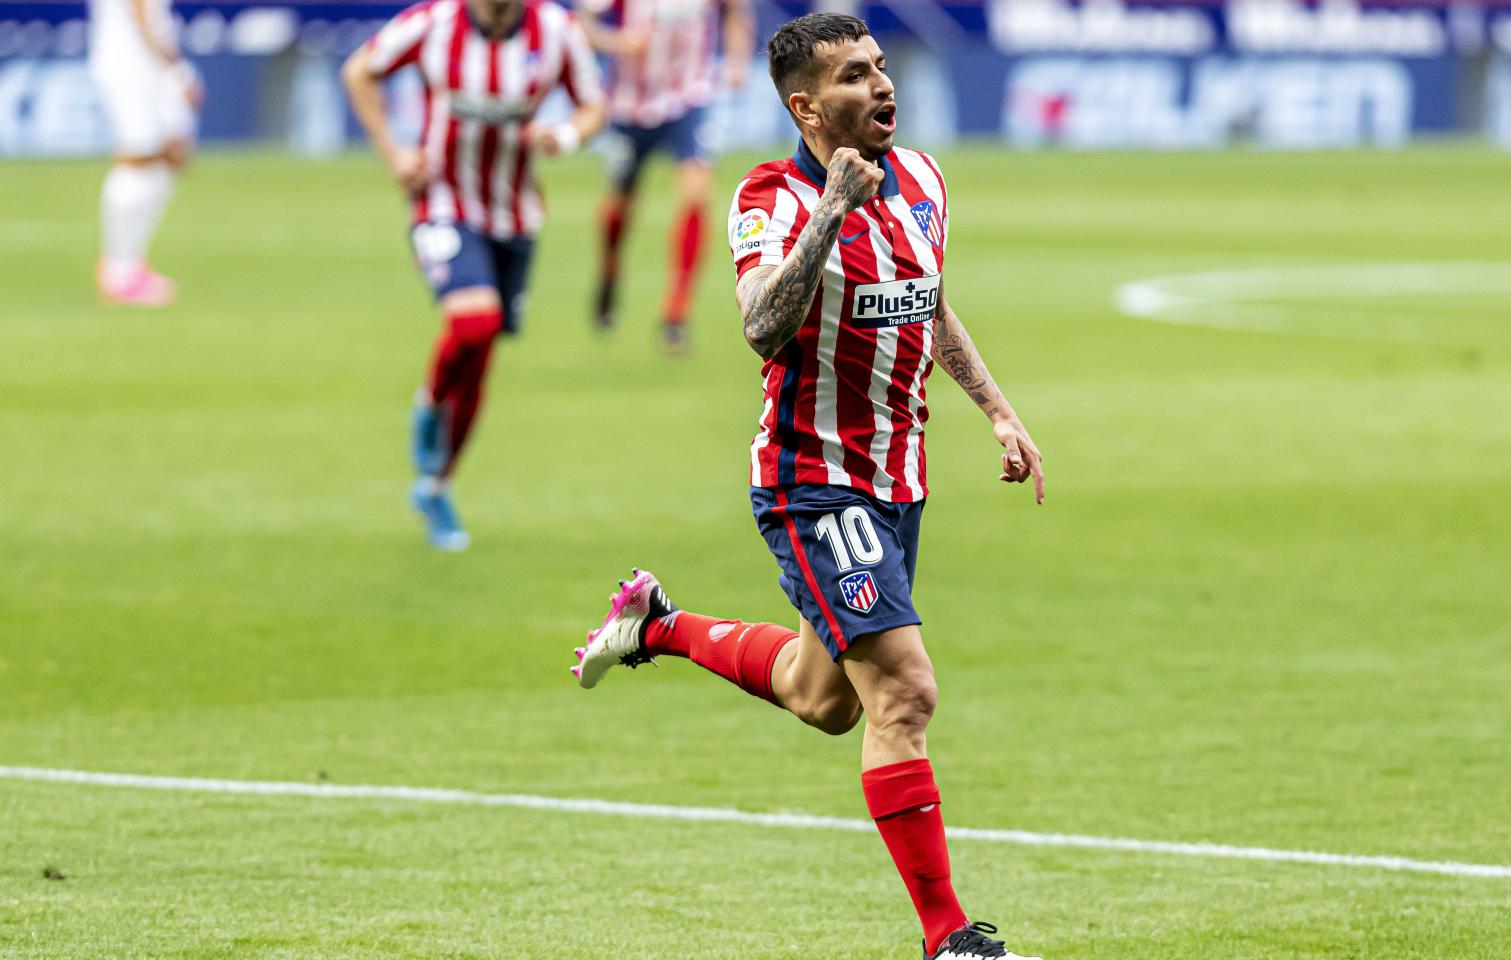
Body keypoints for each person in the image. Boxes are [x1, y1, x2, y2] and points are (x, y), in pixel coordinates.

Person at [573, 14, 1047, 959]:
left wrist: (998, 410)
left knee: (823, 698)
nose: (882, 85)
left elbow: (929, 302)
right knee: (904, 692)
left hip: (898, 481)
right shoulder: (771, 197)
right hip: (812, 481)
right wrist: (831, 208)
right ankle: (951, 941)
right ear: (807, 108)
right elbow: (761, 324)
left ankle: (656, 624)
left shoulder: (925, 180)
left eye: (881, 67)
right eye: (854, 76)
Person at [343, 0, 606, 551]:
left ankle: (436, 486)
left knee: (482, 354)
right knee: (474, 323)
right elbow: (359, 71)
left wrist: (565, 137)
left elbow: (593, 105)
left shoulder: (555, 30)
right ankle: (428, 403)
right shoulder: (434, 23)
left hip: (516, 216)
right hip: (442, 201)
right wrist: (393, 153)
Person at [575, 0, 755, 353]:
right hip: (629, 105)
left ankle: (676, 314)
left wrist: (738, 62)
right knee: (620, 205)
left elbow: (736, 11)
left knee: (695, 195)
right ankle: (609, 273)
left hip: (690, 100)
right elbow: (584, 24)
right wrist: (617, 41)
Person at [89, 0, 201, 306]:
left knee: (172, 157)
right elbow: (140, 14)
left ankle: (132, 262)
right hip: (131, 62)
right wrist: (176, 67)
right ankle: (118, 270)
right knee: (137, 157)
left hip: (150, 61)